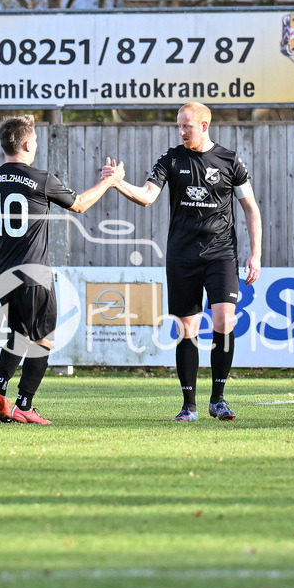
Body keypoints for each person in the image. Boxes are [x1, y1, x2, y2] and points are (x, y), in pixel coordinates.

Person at [106, 102, 262, 422]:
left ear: (204, 125)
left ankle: (218, 399)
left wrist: (255, 253)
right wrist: (117, 182)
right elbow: (148, 196)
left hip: (221, 254)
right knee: (186, 328)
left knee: (223, 320)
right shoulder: (171, 158)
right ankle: (188, 406)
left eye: (187, 126)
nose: (182, 131)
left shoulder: (230, 161)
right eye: (179, 126)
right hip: (182, 256)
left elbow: (250, 208)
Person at [0, 115, 124, 425]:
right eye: (35, 141)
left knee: (19, 334)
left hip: (2, 273)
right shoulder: (41, 179)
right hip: (35, 273)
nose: (36, 146)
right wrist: (110, 181)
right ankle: (24, 405)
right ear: (27, 144)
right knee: (43, 339)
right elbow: (79, 205)